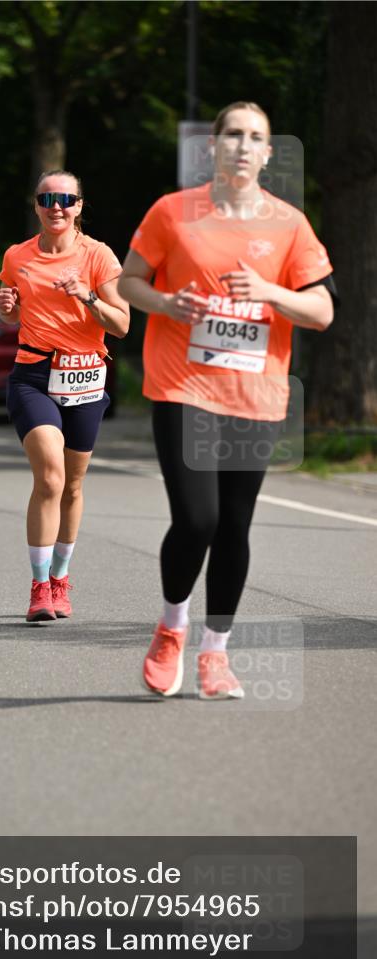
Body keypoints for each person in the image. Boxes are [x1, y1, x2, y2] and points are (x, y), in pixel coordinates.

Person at [118, 101, 335, 699]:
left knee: (235, 525)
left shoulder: (289, 224)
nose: (242, 145)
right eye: (232, 135)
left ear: (268, 153)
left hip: (255, 394)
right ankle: (172, 627)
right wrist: (166, 304)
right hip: (183, 385)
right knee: (198, 519)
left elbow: (321, 311)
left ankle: (215, 653)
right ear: (212, 147)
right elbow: (129, 282)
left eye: (254, 137)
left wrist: (268, 291)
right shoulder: (172, 211)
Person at [0, 170, 129, 622]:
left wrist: (88, 298)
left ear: (79, 206)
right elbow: (11, 313)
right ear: (36, 204)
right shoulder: (17, 255)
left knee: (72, 485)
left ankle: (59, 578)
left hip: (86, 376)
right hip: (33, 375)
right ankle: (38, 588)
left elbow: (121, 324)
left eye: (67, 199)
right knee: (51, 478)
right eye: (48, 198)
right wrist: (7, 309)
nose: (57, 207)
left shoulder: (98, 255)